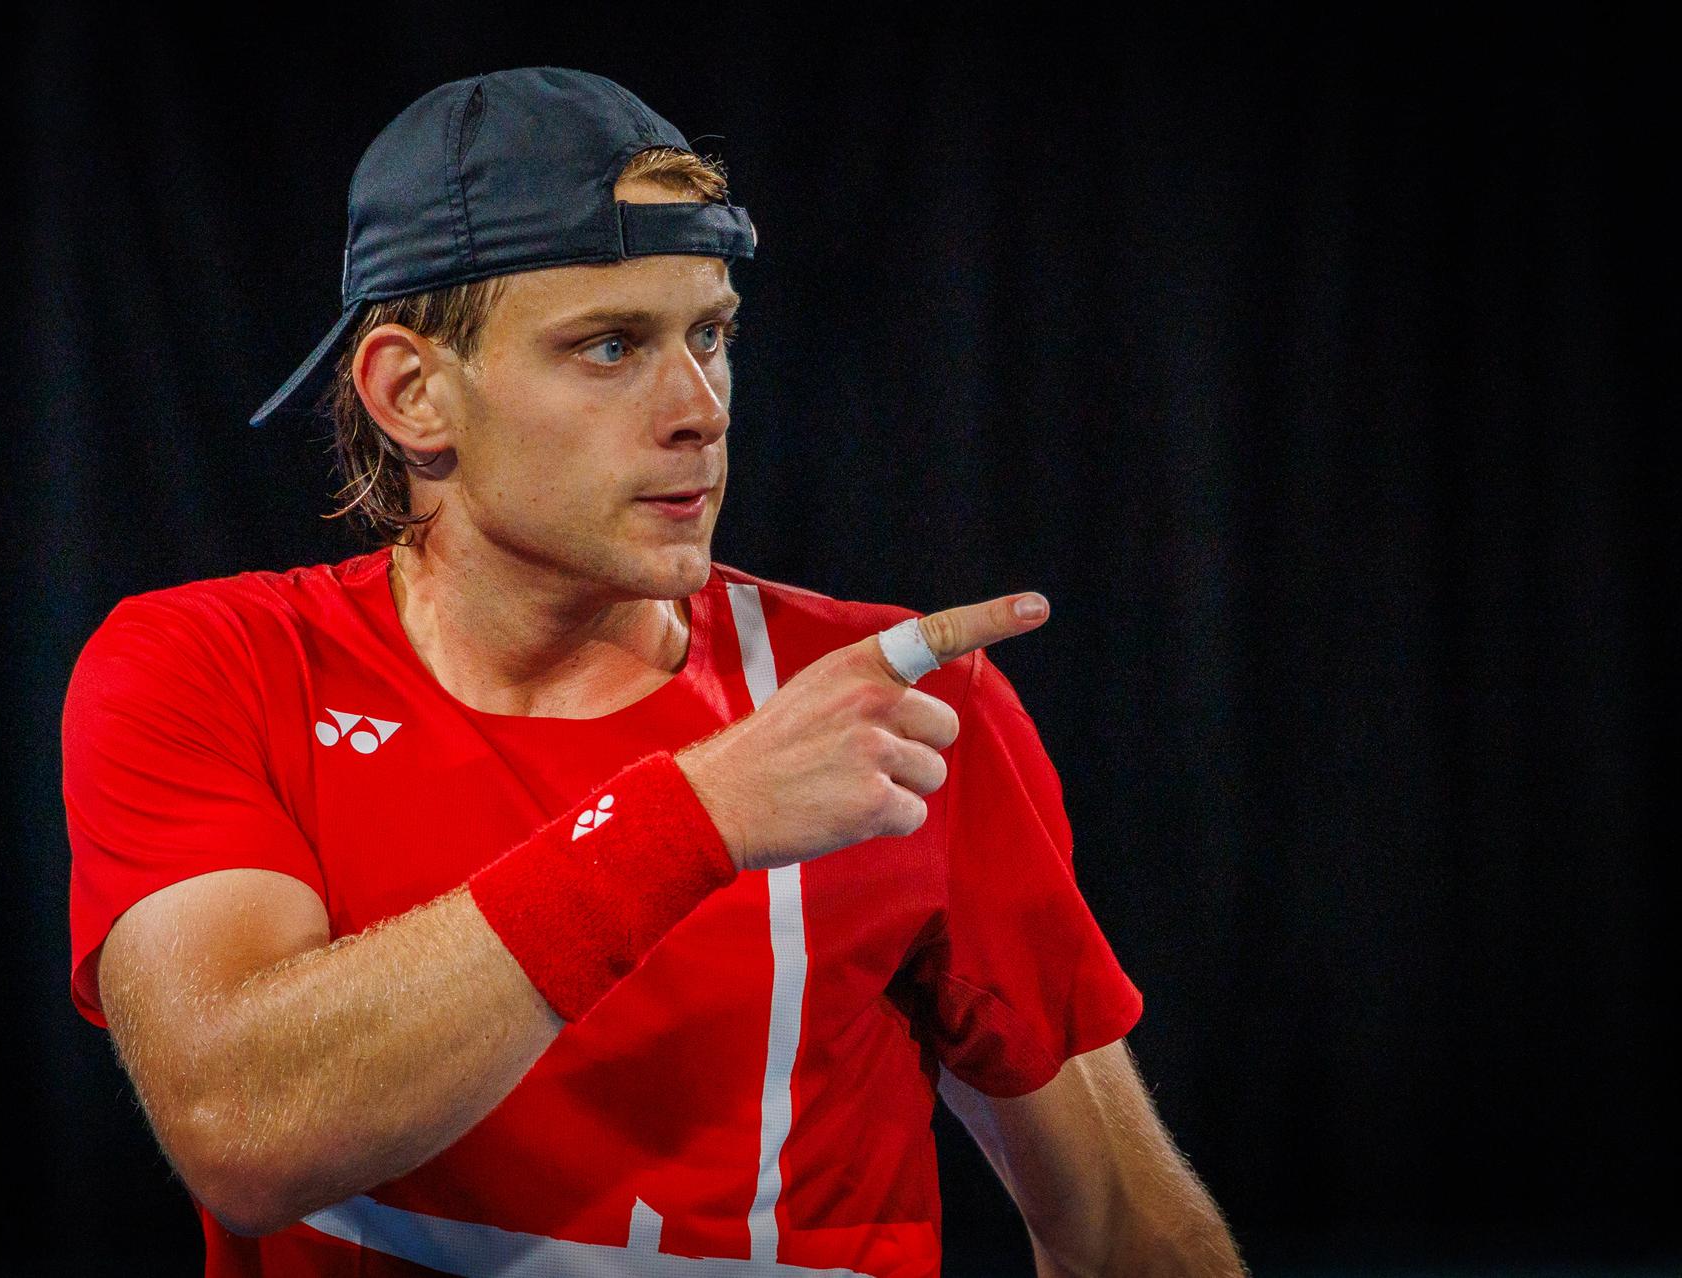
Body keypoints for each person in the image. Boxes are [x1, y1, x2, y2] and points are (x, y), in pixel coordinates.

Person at [62, 66, 1245, 1277]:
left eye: (712, 335)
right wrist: (697, 814)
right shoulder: (211, 668)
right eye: (611, 346)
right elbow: (244, 1132)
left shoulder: (892, 706)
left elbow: (1123, 1234)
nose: (700, 407)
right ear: (413, 394)